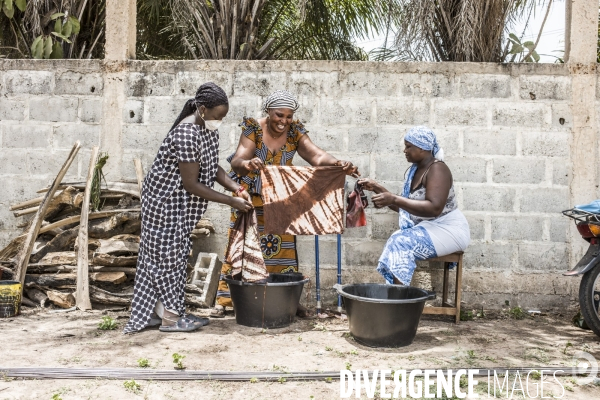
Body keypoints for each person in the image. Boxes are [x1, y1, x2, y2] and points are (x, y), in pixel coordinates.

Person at [212, 90, 358, 317]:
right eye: (279, 115)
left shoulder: (295, 133)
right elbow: (239, 161)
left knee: (284, 250)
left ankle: (286, 299)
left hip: (280, 200)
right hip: (250, 198)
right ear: (268, 112)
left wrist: (337, 163)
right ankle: (227, 299)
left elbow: (316, 156)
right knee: (241, 244)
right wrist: (249, 163)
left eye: (289, 116)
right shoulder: (253, 129)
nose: (284, 121)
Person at [124, 83, 253, 334]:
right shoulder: (186, 134)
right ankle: (170, 318)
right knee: (168, 258)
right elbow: (191, 184)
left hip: (177, 205)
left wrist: (236, 188)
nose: (220, 121)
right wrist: (230, 201)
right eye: (217, 116)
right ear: (202, 109)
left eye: (223, 117)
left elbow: (211, 167)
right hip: (164, 204)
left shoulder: (206, 129)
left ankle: (157, 313)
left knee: (171, 255)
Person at [358, 126, 470, 286]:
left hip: (450, 230)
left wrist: (394, 199)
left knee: (402, 242)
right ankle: (396, 295)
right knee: (396, 239)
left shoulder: (438, 169)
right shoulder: (416, 170)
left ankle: (399, 300)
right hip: (431, 227)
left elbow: (434, 208)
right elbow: (406, 208)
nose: (405, 151)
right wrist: (377, 188)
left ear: (423, 147)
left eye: (409, 146)